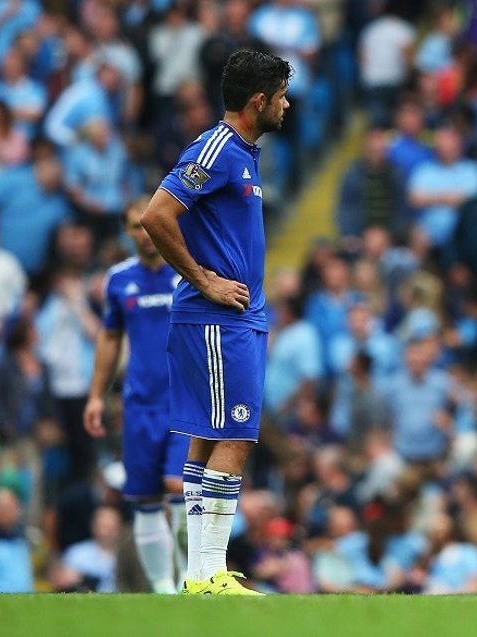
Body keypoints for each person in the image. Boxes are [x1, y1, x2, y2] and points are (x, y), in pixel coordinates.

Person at [140, 49, 291, 596]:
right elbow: (156, 214)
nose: (287, 105)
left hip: (234, 319)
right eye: (280, 97)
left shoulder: (243, 155)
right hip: (216, 318)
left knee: (211, 438)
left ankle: (201, 575)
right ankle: (209, 570)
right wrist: (204, 280)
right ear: (259, 101)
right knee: (235, 435)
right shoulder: (218, 149)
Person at [82, 196, 189, 594]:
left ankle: (186, 583)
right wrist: (96, 395)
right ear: (127, 232)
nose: (144, 233)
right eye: (135, 226)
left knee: (178, 487)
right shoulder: (119, 280)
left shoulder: (189, 271)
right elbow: (110, 337)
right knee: (145, 499)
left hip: (183, 402)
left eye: (149, 223)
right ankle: (163, 590)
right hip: (140, 404)